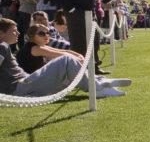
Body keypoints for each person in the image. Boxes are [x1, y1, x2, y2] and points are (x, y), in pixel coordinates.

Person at [0, 18, 128, 98]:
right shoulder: (3, 47)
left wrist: (75, 55)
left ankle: (100, 84)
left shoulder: (5, 47)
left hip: (27, 83)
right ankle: (98, 87)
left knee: (67, 64)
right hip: (20, 88)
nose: (17, 33)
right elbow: (60, 54)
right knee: (66, 61)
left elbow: (57, 51)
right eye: (13, 31)